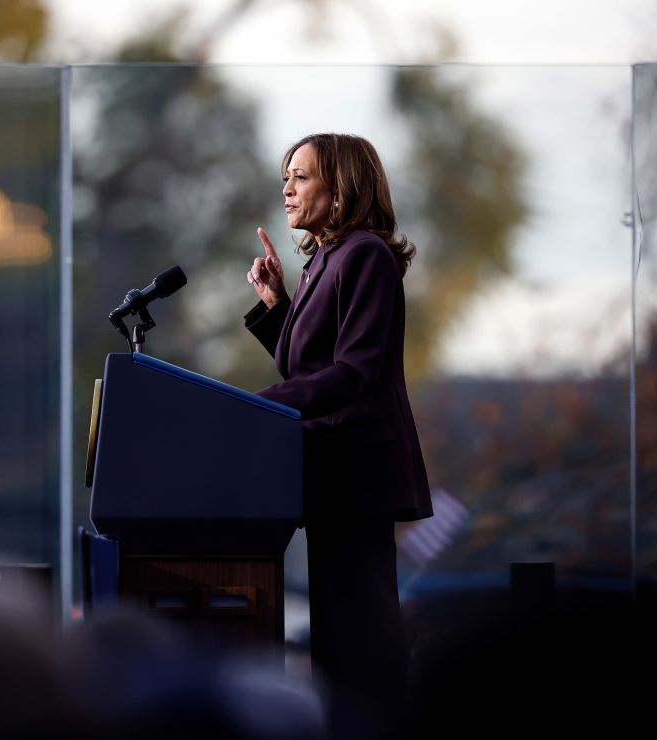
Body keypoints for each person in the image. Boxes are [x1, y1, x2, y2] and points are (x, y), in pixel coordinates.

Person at [244, 133, 433, 738]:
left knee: (364, 634)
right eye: (286, 177)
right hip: (329, 470)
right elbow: (308, 369)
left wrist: (256, 407)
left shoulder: (366, 257)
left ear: (342, 186)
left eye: (301, 177)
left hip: (359, 472)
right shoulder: (325, 259)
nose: (287, 189)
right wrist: (277, 304)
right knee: (336, 632)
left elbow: (354, 372)